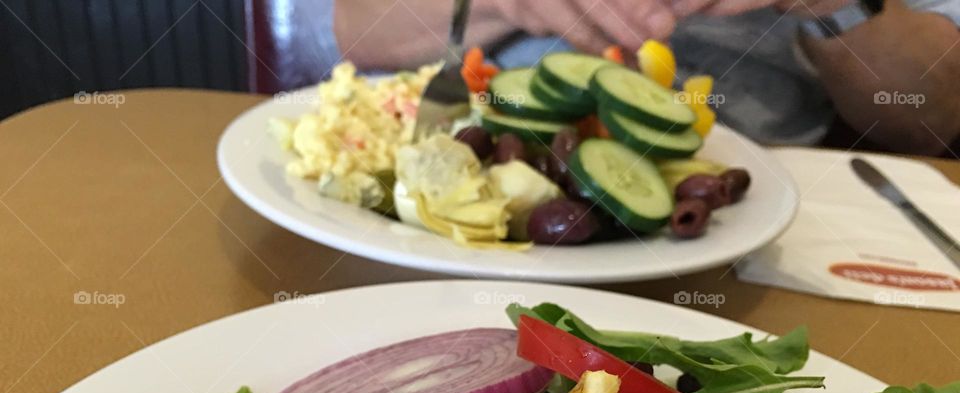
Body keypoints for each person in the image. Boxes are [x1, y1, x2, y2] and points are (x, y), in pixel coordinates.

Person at [311, 0, 960, 154]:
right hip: (485, 161)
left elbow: (930, 116)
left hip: (760, 208)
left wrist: (842, 4)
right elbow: (355, 28)